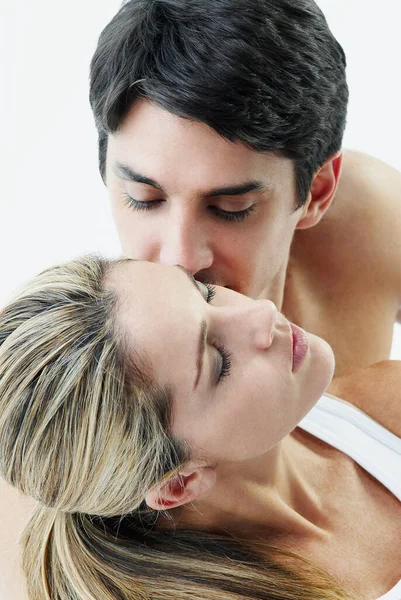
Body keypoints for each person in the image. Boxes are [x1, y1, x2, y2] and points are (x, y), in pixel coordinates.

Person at [0, 255, 400, 600]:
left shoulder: (381, 404)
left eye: (203, 292)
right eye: (218, 362)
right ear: (178, 484)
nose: (260, 313)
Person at [89, 0, 401, 380]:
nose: (180, 259)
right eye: (144, 198)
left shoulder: (376, 221)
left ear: (316, 193)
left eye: (230, 207)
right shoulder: (89, 387)